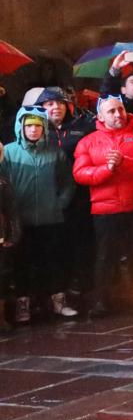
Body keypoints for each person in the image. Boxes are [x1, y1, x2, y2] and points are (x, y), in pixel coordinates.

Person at [72, 95, 133, 316]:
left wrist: (124, 163)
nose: (118, 114)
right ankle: (102, 302)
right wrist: (106, 170)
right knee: (105, 257)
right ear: (100, 116)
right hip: (106, 209)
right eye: (111, 111)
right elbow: (80, 174)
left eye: (120, 109)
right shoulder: (87, 142)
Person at [1, 105, 76, 323]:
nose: (33, 130)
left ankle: (58, 301)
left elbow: (67, 183)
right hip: (20, 220)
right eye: (29, 125)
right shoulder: (8, 153)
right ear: (21, 128)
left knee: (53, 260)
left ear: (44, 127)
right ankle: (23, 303)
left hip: (50, 218)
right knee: (22, 262)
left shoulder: (55, 152)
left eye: (37, 125)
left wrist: (59, 203)